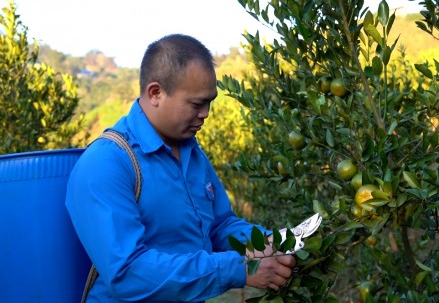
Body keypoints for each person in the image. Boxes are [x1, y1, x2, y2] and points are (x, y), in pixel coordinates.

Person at [65, 34, 296, 302]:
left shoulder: (191, 153)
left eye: (210, 102)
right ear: (156, 94)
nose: (206, 113)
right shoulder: (107, 164)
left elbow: (219, 226)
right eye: (197, 104)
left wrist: (268, 243)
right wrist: (239, 269)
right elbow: (127, 273)